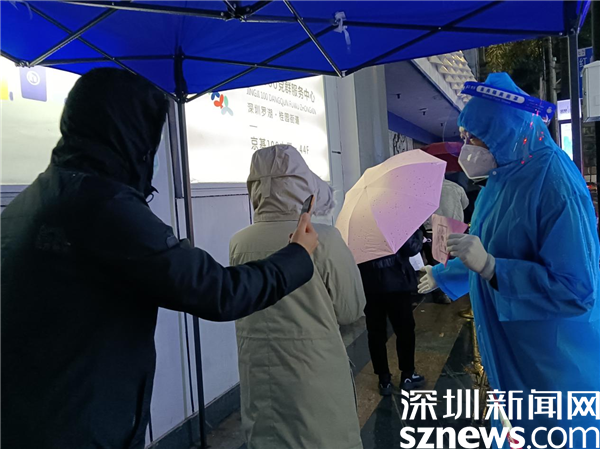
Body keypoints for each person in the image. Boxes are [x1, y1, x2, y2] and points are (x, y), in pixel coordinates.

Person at [1, 69, 318, 449]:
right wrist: (298, 254)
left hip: (29, 417)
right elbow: (220, 291)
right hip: (85, 428)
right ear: (130, 132)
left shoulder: (32, 199)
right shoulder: (106, 208)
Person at [419, 73, 600, 448]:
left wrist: (493, 268)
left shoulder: (556, 183)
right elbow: (483, 249)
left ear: (504, 131)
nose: (467, 148)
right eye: (465, 137)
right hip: (512, 350)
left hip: (551, 356)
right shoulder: (502, 176)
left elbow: (577, 288)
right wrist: (444, 273)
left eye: (475, 138)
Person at [230, 145, 365, 449]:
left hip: (257, 372)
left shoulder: (239, 243)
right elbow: (351, 309)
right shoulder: (324, 239)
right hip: (315, 373)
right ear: (304, 186)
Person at [358, 228, 425, 395]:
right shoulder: (393, 222)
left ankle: (384, 380)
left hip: (369, 285)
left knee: (376, 333)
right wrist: (418, 231)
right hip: (397, 283)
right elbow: (413, 248)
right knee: (405, 330)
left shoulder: (358, 226)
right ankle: (407, 375)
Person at [423, 178, 469, 304]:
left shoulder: (424, 190)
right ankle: (458, 290)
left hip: (434, 229)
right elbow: (465, 204)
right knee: (456, 262)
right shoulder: (455, 186)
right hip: (455, 227)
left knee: (437, 263)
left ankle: (441, 294)